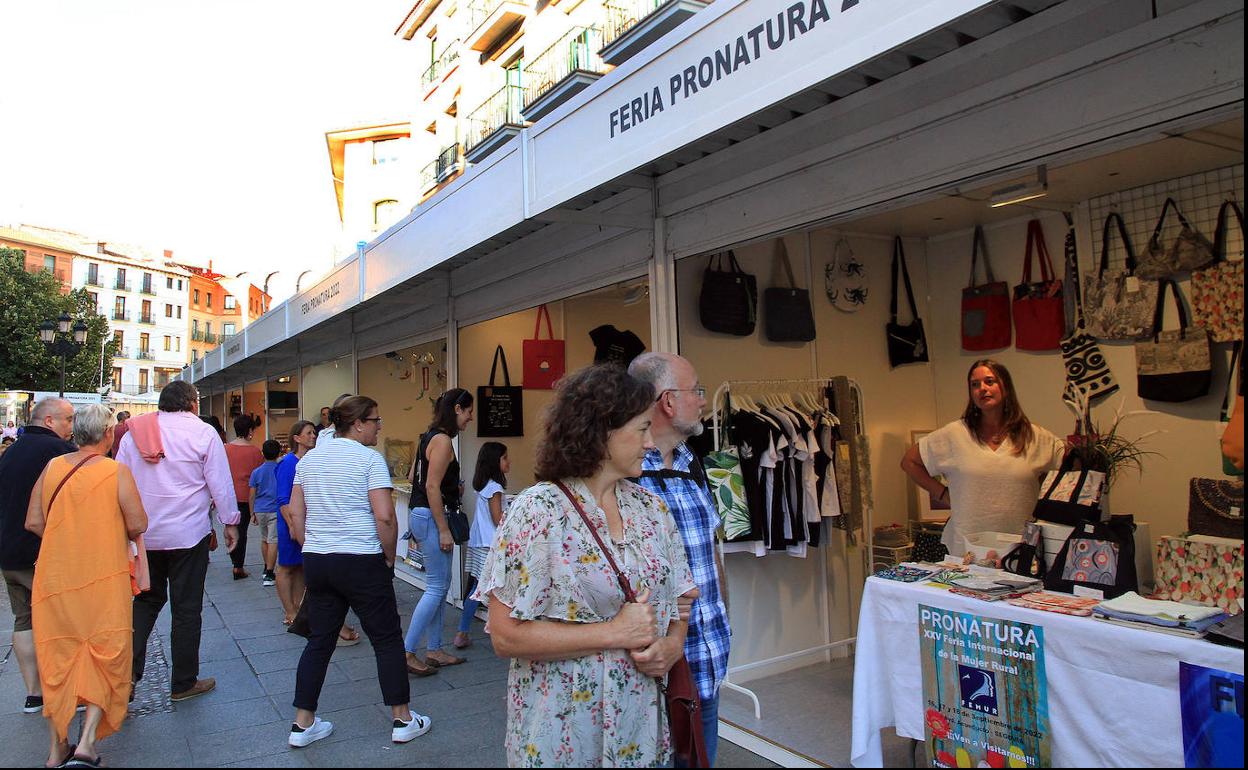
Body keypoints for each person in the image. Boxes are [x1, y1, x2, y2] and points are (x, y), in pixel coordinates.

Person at [476, 365, 698, 768]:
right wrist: (613, 633)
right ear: (601, 431)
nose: (651, 443)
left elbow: (682, 601)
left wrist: (673, 645)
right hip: (561, 734)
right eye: (641, 429)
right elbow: (505, 636)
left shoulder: (652, 510)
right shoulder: (538, 511)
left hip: (641, 733)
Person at [285, 396, 431, 747]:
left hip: (320, 560)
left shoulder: (310, 460)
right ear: (359, 424)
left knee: (319, 641)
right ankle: (402, 718)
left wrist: (312, 544)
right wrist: (389, 557)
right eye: (376, 420)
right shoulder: (369, 459)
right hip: (361, 557)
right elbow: (384, 516)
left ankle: (303, 724)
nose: (381, 426)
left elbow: (295, 512)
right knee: (386, 639)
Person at [25, 404, 148, 769]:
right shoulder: (116, 472)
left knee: (58, 656)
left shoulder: (52, 468)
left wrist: (65, 540)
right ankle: (88, 742)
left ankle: (56, 748)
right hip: (103, 575)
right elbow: (138, 522)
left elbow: (33, 521)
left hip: (56, 578)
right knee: (106, 650)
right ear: (109, 434)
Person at [629, 352, 732, 766]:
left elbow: (710, 551)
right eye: (697, 391)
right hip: (650, 666)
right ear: (668, 402)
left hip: (707, 654)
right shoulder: (626, 474)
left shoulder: (695, 464)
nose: (704, 400)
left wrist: (724, 612)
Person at [117, 380, 240, 702]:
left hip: (146, 535)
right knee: (187, 609)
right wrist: (230, 522)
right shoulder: (202, 433)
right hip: (188, 533)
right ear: (193, 404)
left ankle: (126, 674)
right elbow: (220, 482)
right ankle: (183, 682)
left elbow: (119, 481)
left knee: (145, 602)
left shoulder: (134, 435)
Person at [901, 359, 1065, 556]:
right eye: (975, 384)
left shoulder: (1035, 437)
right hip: (966, 549)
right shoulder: (955, 434)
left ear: (1005, 386)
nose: (982, 389)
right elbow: (909, 462)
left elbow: (1071, 469)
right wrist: (943, 495)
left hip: (1019, 549)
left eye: (989, 381)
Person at [0, 398, 75, 716]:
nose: (72, 427)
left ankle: (34, 693)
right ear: (49, 421)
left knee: (24, 620)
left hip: (8, 553)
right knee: (65, 617)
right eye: (68, 420)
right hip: (39, 552)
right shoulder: (56, 452)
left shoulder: (12, 451)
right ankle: (69, 688)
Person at [404, 388, 474, 676]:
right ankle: (407, 651)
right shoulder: (444, 441)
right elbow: (431, 486)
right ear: (457, 409)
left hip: (421, 514)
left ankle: (434, 649)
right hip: (434, 518)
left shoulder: (428, 436)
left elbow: (413, 477)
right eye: (469, 411)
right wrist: (444, 529)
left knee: (439, 585)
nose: (470, 418)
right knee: (435, 587)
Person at [452, 441, 509, 651]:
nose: (508, 461)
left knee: (476, 588)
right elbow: (498, 519)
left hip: (479, 543)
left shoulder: (483, 485)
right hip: (490, 544)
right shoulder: (495, 487)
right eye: (504, 458)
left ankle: (462, 631)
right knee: (497, 589)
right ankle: (502, 631)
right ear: (496, 462)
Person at [275, 421, 314, 625]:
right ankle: (289, 610)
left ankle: (299, 607)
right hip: (290, 521)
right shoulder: (289, 463)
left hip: (305, 521)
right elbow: (283, 499)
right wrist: (292, 525)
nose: (313, 436)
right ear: (297, 438)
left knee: (300, 566)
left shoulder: (309, 461)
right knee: (286, 566)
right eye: (308, 433)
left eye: (313, 432)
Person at [225, 415, 264, 580]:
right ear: (250, 430)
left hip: (228, 495)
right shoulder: (255, 451)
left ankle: (235, 560)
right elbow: (259, 477)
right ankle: (238, 566)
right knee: (242, 531)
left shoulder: (225, 448)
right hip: (246, 496)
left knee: (231, 527)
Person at [250, 439, 283, 587]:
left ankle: (266, 566)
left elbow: (252, 494)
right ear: (279, 453)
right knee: (273, 540)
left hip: (260, 509)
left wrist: (252, 512)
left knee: (264, 539)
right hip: (275, 509)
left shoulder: (256, 472)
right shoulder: (279, 469)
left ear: (263, 453)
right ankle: (270, 572)